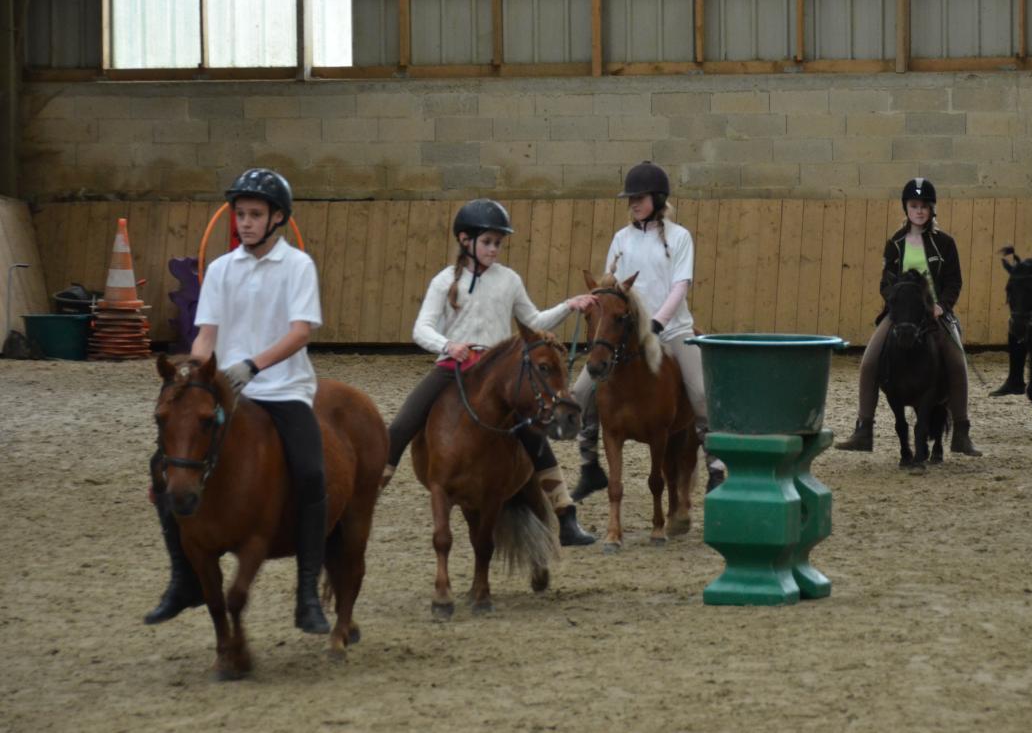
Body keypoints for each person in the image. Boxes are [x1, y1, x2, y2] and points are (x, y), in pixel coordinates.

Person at [145, 167, 332, 634]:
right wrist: (195, 374)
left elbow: (299, 333)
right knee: (161, 466)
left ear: (277, 219)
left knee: (311, 473)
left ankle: (307, 590)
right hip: (226, 389)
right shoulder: (223, 269)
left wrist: (251, 366)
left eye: (254, 215)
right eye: (240, 215)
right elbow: (207, 334)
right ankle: (183, 579)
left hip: (284, 389)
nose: (245, 223)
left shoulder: (297, 267)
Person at [381, 198, 598, 546]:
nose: (494, 249)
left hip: (499, 372)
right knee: (405, 420)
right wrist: (447, 345)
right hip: (454, 366)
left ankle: (565, 514)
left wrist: (569, 306)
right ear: (466, 241)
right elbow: (420, 329)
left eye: (498, 243)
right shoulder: (443, 282)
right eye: (488, 242)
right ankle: (375, 485)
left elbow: (535, 322)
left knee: (533, 432)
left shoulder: (509, 280)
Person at [570, 161, 725, 502]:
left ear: (657, 198)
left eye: (639, 198)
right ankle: (590, 465)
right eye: (630, 199)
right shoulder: (621, 239)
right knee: (582, 393)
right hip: (628, 333)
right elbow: (610, 285)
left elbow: (680, 285)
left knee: (700, 394)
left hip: (673, 329)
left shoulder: (679, 236)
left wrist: (658, 323)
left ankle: (716, 466)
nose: (633, 204)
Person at [834, 177, 981, 457]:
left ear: (931, 210)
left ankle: (961, 432)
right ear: (907, 208)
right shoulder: (896, 244)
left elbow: (954, 281)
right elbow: (885, 283)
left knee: (957, 361)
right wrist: (897, 304)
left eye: (924, 206)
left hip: (934, 313)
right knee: (869, 361)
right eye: (914, 205)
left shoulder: (945, 243)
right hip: (902, 313)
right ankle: (864, 428)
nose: (919, 211)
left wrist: (942, 306)